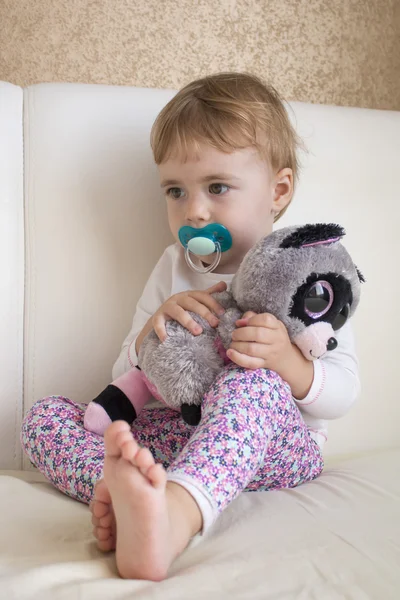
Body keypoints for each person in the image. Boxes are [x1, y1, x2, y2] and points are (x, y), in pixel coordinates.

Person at [21, 72, 360, 581]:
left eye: (217, 187)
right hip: (177, 436)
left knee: (256, 382)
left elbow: (345, 390)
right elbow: (124, 376)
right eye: (175, 191)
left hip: (274, 446)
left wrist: (287, 362)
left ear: (278, 190)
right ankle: (127, 492)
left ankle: (175, 516)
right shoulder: (172, 266)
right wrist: (151, 334)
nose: (194, 212)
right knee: (44, 419)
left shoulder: (308, 270)